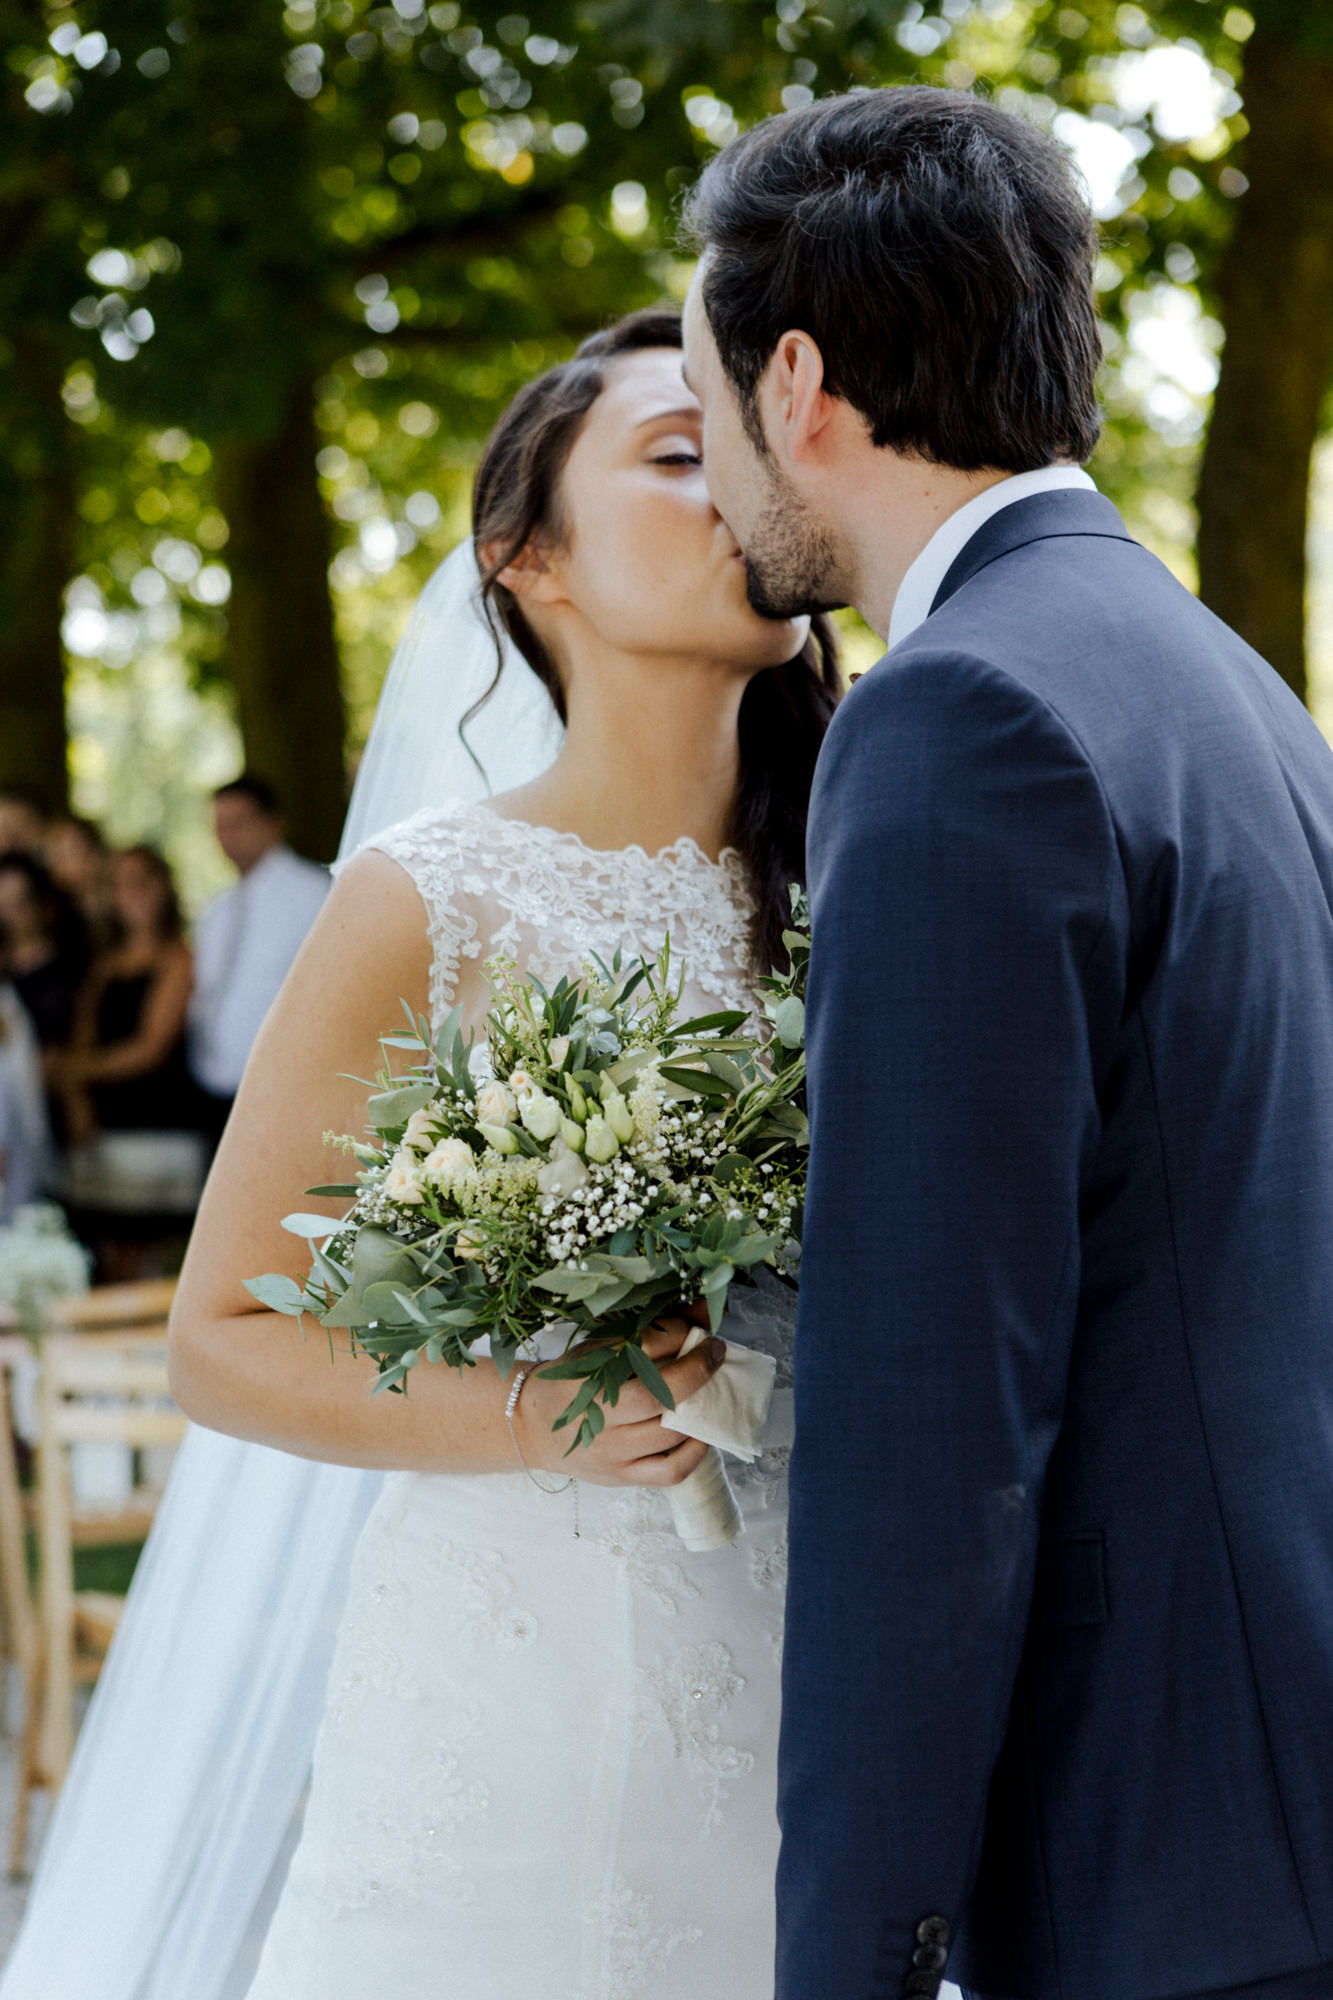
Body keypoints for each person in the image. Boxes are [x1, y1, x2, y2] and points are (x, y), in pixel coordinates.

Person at [682, 85, 1333, 2000]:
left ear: (795, 380)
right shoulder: (1214, 679)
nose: (717, 476)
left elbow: (932, 1406)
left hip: (1154, 1860)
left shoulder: (961, 713)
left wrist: (863, 1947)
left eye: (706, 414)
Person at [160, 307, 837, 2000]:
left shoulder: (863, 875)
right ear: (524, 558)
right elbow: (220, 1341)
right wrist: (542, 1415)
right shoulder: (432, 899)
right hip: (517, 1663)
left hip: (820, 1658)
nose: (728, 494)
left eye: (745, 454)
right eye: (677, 457)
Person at [55, 845, 210, 1280]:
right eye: (119, 884)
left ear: (164, 889)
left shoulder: (179, 959)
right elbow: (80, 1044)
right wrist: (75, 1099)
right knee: (109, 1259)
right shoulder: (104, 967)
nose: (130, 894)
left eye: (140, 882)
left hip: (158, 1127)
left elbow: (149, 1048)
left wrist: (71, 1073)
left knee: (155, 1264)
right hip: (104, 1135)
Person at [187, 775, 330, 1146]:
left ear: (272, 823)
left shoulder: (314, 893)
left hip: (284, 1094)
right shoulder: (217, 910)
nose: (228, 834)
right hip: (212, 1089)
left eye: (239, 822)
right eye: (220, 825)